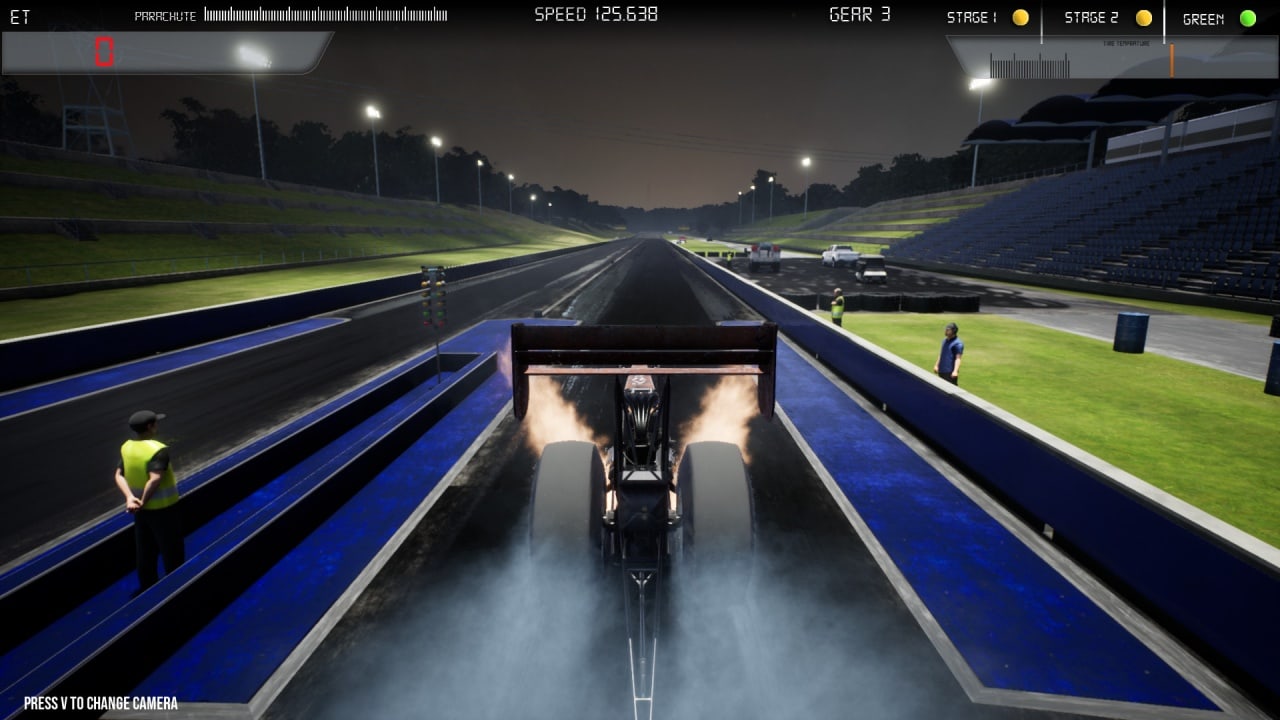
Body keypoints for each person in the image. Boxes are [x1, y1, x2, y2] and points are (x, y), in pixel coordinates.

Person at [114, 410, 184, 593]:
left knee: (145, 551)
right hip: (164, 510)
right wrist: (143, 501)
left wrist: (130, 498)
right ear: (150, 426)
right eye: (155, 423)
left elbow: (119, 475)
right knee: (172, 551)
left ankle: (147, 588)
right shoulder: (157, 449)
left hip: (140, 512)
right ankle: (176, 588)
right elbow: (154, 479)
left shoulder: (127, 447)